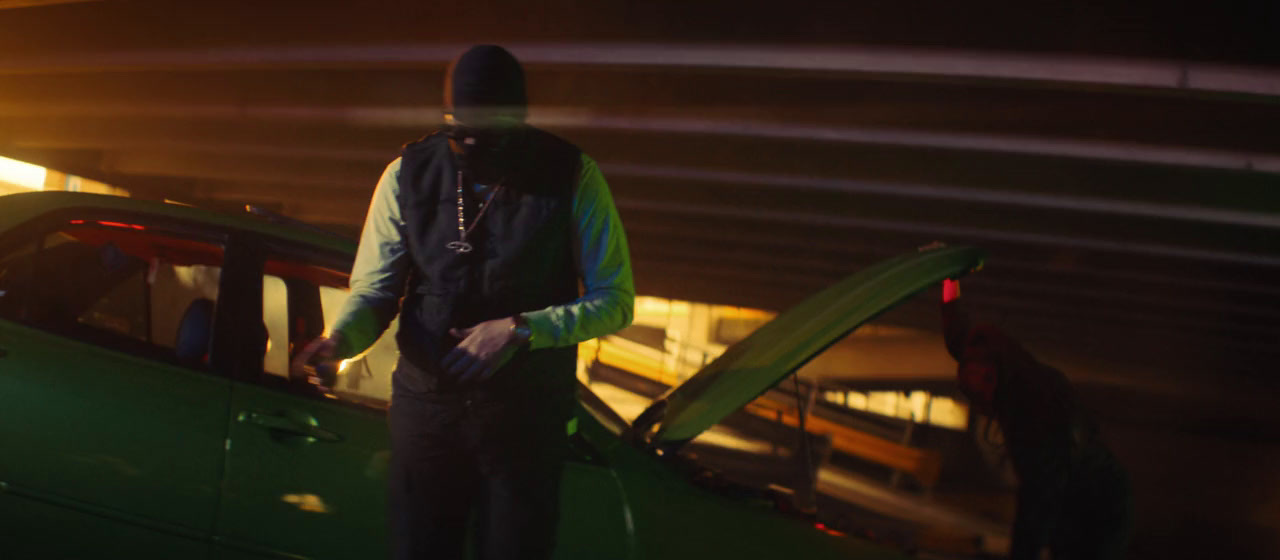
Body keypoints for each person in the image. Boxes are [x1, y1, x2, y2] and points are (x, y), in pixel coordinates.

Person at [291, 45, 634, 560]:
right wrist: (339, 340)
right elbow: (375, 291)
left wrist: (521, 329)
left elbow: (616, 301)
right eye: (459, 130)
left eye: (487, 131)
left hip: (524, 423)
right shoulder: (405, 174)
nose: (470, 142)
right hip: (427, 415)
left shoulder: (572, 175)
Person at [940, 278, 1130, 560]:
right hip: (1080, 496)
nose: (981, 402)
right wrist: (948, 277)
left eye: (983, 390)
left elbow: (1038, 502)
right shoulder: (989, 360)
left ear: (996, 375)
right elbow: (957, 332)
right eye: (971, 392)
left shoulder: (1034, 416)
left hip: (1097, 508)